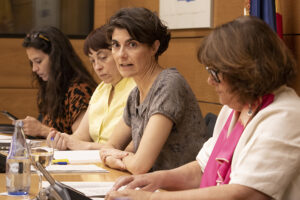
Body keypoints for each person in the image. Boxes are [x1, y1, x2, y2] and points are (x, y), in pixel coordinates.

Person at [105, 16, 300, 200]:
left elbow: (246, 194)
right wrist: (154, 180)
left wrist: (155, 197)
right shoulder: (234, 108)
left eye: (215, 73)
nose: (209, 81)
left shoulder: (286, 115)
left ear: (245, 71)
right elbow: (202, 169)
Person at [99, 7, 208, 175]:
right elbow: (109, 147)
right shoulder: (135, 94)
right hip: (151, 187)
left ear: (154, 47)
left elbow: (139, 166)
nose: (121, 55)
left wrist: (116, 158)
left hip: (181, 191)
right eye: (116, 45)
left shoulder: (169, 84)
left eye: (132, 45)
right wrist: (116, 157)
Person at [47, 25, 136, 150]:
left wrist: (87, 146)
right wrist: (59, 139)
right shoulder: (101, 89)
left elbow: (130, 149)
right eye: (92, 61)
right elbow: (79, 137)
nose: (97, 67)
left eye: (103, 58)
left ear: (118, 53)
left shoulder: (136, 88)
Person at [22, 26, 97, 138]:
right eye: (31, 62)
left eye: (38, 61)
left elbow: (81, 142)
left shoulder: (79, 90)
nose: (34, 68)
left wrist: (42, 130)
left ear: (56, 58)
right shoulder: (52, 87)